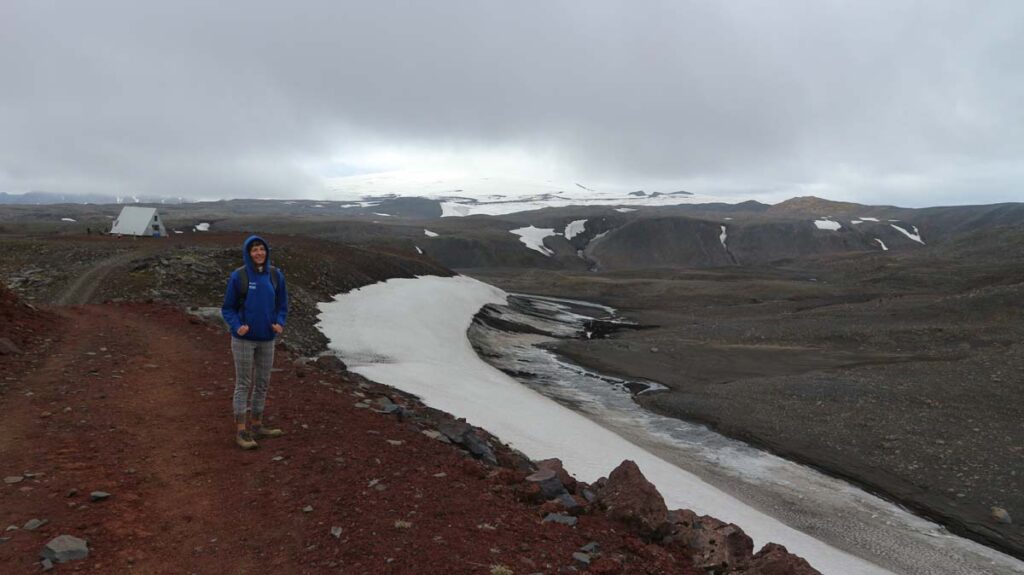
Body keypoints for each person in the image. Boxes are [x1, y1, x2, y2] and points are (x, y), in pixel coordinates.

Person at [221, 235, 289, 450]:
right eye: (254, 250)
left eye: (261, 249)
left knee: (262, 383)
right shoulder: (239, 276)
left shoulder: (275, 275)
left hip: (267, 339)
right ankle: (242, 430)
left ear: (266, 251)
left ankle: (257, 425)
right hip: (243, 340)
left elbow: (282, 305)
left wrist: (279, 322)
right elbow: (228, 308)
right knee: (243, 383)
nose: (259, 253)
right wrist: (237, 326)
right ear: (248, 253)